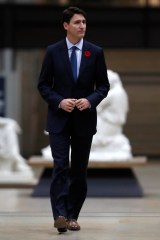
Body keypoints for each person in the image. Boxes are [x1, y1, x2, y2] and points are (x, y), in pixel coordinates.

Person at [38, 6, 110, 233]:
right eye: (77, 22)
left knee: (79, 171)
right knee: (60, 166)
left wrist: (90, 100)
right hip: (59, 119)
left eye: (84, 23)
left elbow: (104, 86)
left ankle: (72, 216)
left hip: (84, 120)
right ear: (66, 26)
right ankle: (59, 214)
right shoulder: (53, 51)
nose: (82, 26)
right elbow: (43, 85)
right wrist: (59, 101)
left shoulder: (95, 52)